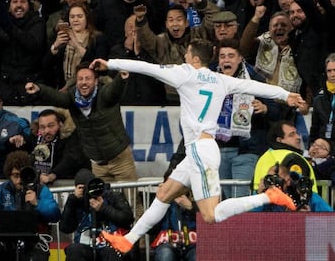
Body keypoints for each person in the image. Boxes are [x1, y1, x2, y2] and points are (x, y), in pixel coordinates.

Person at [81, 38, 304, 253]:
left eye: (187, 53)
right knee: (164, 193)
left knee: (210, 215)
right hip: (199, 151)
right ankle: (128, 240)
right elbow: (252, 85)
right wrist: (285, 94)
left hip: (200, 151)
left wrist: (111, 63)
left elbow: (147, 67)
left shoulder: (185, 74)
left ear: (195, 59)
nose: (184, 57)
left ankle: (269, 196)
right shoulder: (220, 80)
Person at [25, 61, 139, 185]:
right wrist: (40, 89)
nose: (83, 82)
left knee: (131, 200)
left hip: (120, 160)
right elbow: (57, 97)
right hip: (97, 165)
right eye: (80, 79)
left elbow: (114, 91)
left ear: (96, 81)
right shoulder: (72, 98)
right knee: (104, 201)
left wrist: (120, 78)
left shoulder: (104, 94)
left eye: (88, 78)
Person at [213, 38, 281, 198]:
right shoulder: (210, 78)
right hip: (219, 148)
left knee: (240, 199)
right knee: (226, 200)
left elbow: (275, 109)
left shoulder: (254, 78)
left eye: (231, 56)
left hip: (246, 150)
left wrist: (264, 108)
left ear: (239, 58)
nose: (226, 60)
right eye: (222, 56)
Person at [0, 150, 61, 261]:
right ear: (9, 175)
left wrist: (37, 203)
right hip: (8, 243)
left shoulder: (40, 189)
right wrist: (5, 217)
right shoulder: (4, 190)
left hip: (34, 243)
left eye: (22, 175)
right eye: (15, 176)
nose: (19, 180)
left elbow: (55, 214)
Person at [60, 168, 135, 261]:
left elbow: (127, 219)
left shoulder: (112, 196)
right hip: (86, 246)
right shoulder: (76, 201)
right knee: (75, 250)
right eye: (82, 188)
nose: (87, 192)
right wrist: (72, 201)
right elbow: (65, 228)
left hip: (112, 245)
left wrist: (104, 208)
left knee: (109, 252)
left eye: (89, 188)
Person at [47, 2, 109, 92]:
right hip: (64, 91)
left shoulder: (98, 38)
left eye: (79, 16)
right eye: (72, 17)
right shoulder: (62, 38)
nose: (75, 20)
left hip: (89, 89)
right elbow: (46, 66)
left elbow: (98, 66)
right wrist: (55, 46)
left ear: (86, 18)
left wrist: (76, 44)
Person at [252, 120, 318, 193]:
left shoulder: (264, 156)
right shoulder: (293, 158)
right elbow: (298, 193)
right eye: (291, 135)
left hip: (261, 201)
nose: (298, 137)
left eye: (296, 133)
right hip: (288, 203)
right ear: (279, 140)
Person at [30, 108, 91, 184]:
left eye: (51, 126)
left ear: (60, 124)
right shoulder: (35, 137)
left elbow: (70, 158)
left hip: (71, 183)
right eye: (42, 127)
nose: (46, 131)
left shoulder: (72, 136)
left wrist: (53, 175)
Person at [310, 52, 335, 158]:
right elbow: (315, 127)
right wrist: (312, 146)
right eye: (329, 71)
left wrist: (331, 148)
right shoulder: (319, 97)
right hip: (322, 153)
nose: (332, 74)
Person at [254, 163, 333, 212]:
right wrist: (258, 194)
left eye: (276, 179)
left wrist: (309, 216)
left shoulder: (307, 195)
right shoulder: (266, 197)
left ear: (287, 180)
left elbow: (331, 219)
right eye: (270, 179)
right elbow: (250, 219)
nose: (272, 184)